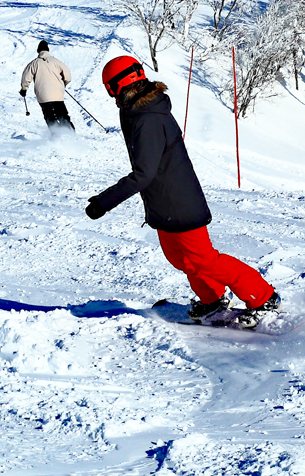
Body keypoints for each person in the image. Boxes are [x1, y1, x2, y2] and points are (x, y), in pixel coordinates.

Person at [84, 55, 280, 326]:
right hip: (163, 202)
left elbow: (143, 174)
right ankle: (212, 300)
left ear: (116, 86)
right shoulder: (136, 110)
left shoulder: (147, 118)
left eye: (109, 88)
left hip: (180, 202)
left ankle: (264, 297)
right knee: (180, 259)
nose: (109, 95)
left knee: (206, 261)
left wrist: (103, 202)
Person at [19, 40, 74, 130]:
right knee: (63, 116)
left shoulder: (34, 63)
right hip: (58, 94)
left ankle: (56, 137)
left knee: (50, 117)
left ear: (38, 51)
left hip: (43, 95)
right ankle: (70, 134)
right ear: (48, 50)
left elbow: (26, 76)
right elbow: (67, 75)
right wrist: (63, 84)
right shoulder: (56, 62)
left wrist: (24, 89)